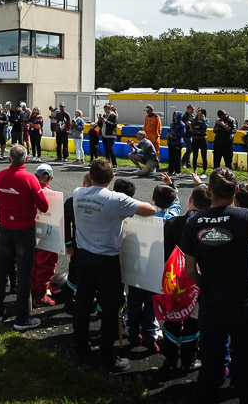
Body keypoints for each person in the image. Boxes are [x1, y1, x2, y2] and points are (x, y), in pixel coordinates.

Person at [179, 166, 248, 404]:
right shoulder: (247, 217)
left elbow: (189, 269)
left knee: (210, 365)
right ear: (236, 191)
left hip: (211, 303)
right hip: (243, 304)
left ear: (209, 190)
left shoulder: (194, 221)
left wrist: (205, 285)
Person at [69, 159, 157, 372]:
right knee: (111, 307)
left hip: (84, 256)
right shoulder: (116, 199)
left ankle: (80, 346)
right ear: (112, 178)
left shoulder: (78, 193)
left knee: (83, 302)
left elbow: (86, 185)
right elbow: (150, 210)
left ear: (89, 176)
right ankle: (107, 356)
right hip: (107, 260)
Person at [0, 146, 50, 330]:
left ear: (9, 159)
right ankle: (22, 317)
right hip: (24, 230)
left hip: (5, 228)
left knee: (1, 268)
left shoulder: (0, 176)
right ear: (26, 161)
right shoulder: (30, 179)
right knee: (24, 273)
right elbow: (44, 206)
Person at [126, 177, 180, 353]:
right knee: (152, 303)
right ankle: (149, 335)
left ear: (153, 199)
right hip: (158, 268)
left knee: (133, 300)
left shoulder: (138, 214)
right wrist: (172, 187)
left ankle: (132, 331)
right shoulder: (172, 217)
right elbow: (175, 203)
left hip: (137, 265)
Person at [160, 182, 210, 374]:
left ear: (190, 201)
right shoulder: (210, 228)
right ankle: (188, 360)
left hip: (174, 279)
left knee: (172, 318)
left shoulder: (173, 223)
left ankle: (170, 360)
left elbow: (164, 254)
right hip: (198, 281)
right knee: (192, 322)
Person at [30, 164, 58, 306]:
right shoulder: (52, 195)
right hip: (46, 234)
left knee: (31, 263)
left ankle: (31, 290)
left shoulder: (28, 189)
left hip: (28, 232)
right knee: (45, 264)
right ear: (51, 178)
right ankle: (40, 296)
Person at [97, 104, 119, 170]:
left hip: (111, 135)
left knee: (110, 149)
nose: (105, 111)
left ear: (110, 109)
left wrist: (106, 121)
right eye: (104, 109)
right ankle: (107, 163)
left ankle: (114, 163)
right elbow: (100, 126)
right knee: (106, 149)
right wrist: (99, 120)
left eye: (106, 109)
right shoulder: (105, 115)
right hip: (104, 134)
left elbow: (114, 125)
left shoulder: (113, 116)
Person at [167, 111, 185, 175]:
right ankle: (171, 170)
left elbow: (182, 134)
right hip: (171, 141)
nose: (175, 116)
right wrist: (169, 134)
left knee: (177, 157)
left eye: (176, 115)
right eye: (174, 115)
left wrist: (173, 133)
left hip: (178, 142)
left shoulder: (182, 124)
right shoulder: (172, 123)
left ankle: (178, 171)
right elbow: (170, 131)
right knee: (171, 157)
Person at [180, 104, 195, 169]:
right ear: (188, 109)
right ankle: (182, 162)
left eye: (193, 109)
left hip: (191, 134)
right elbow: (189, 124)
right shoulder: (185, 116)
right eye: (192, 109)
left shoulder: (192, 116)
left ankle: (188, 163)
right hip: (186, 135)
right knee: (190, 149)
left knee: (189, 149)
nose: (193, 111)